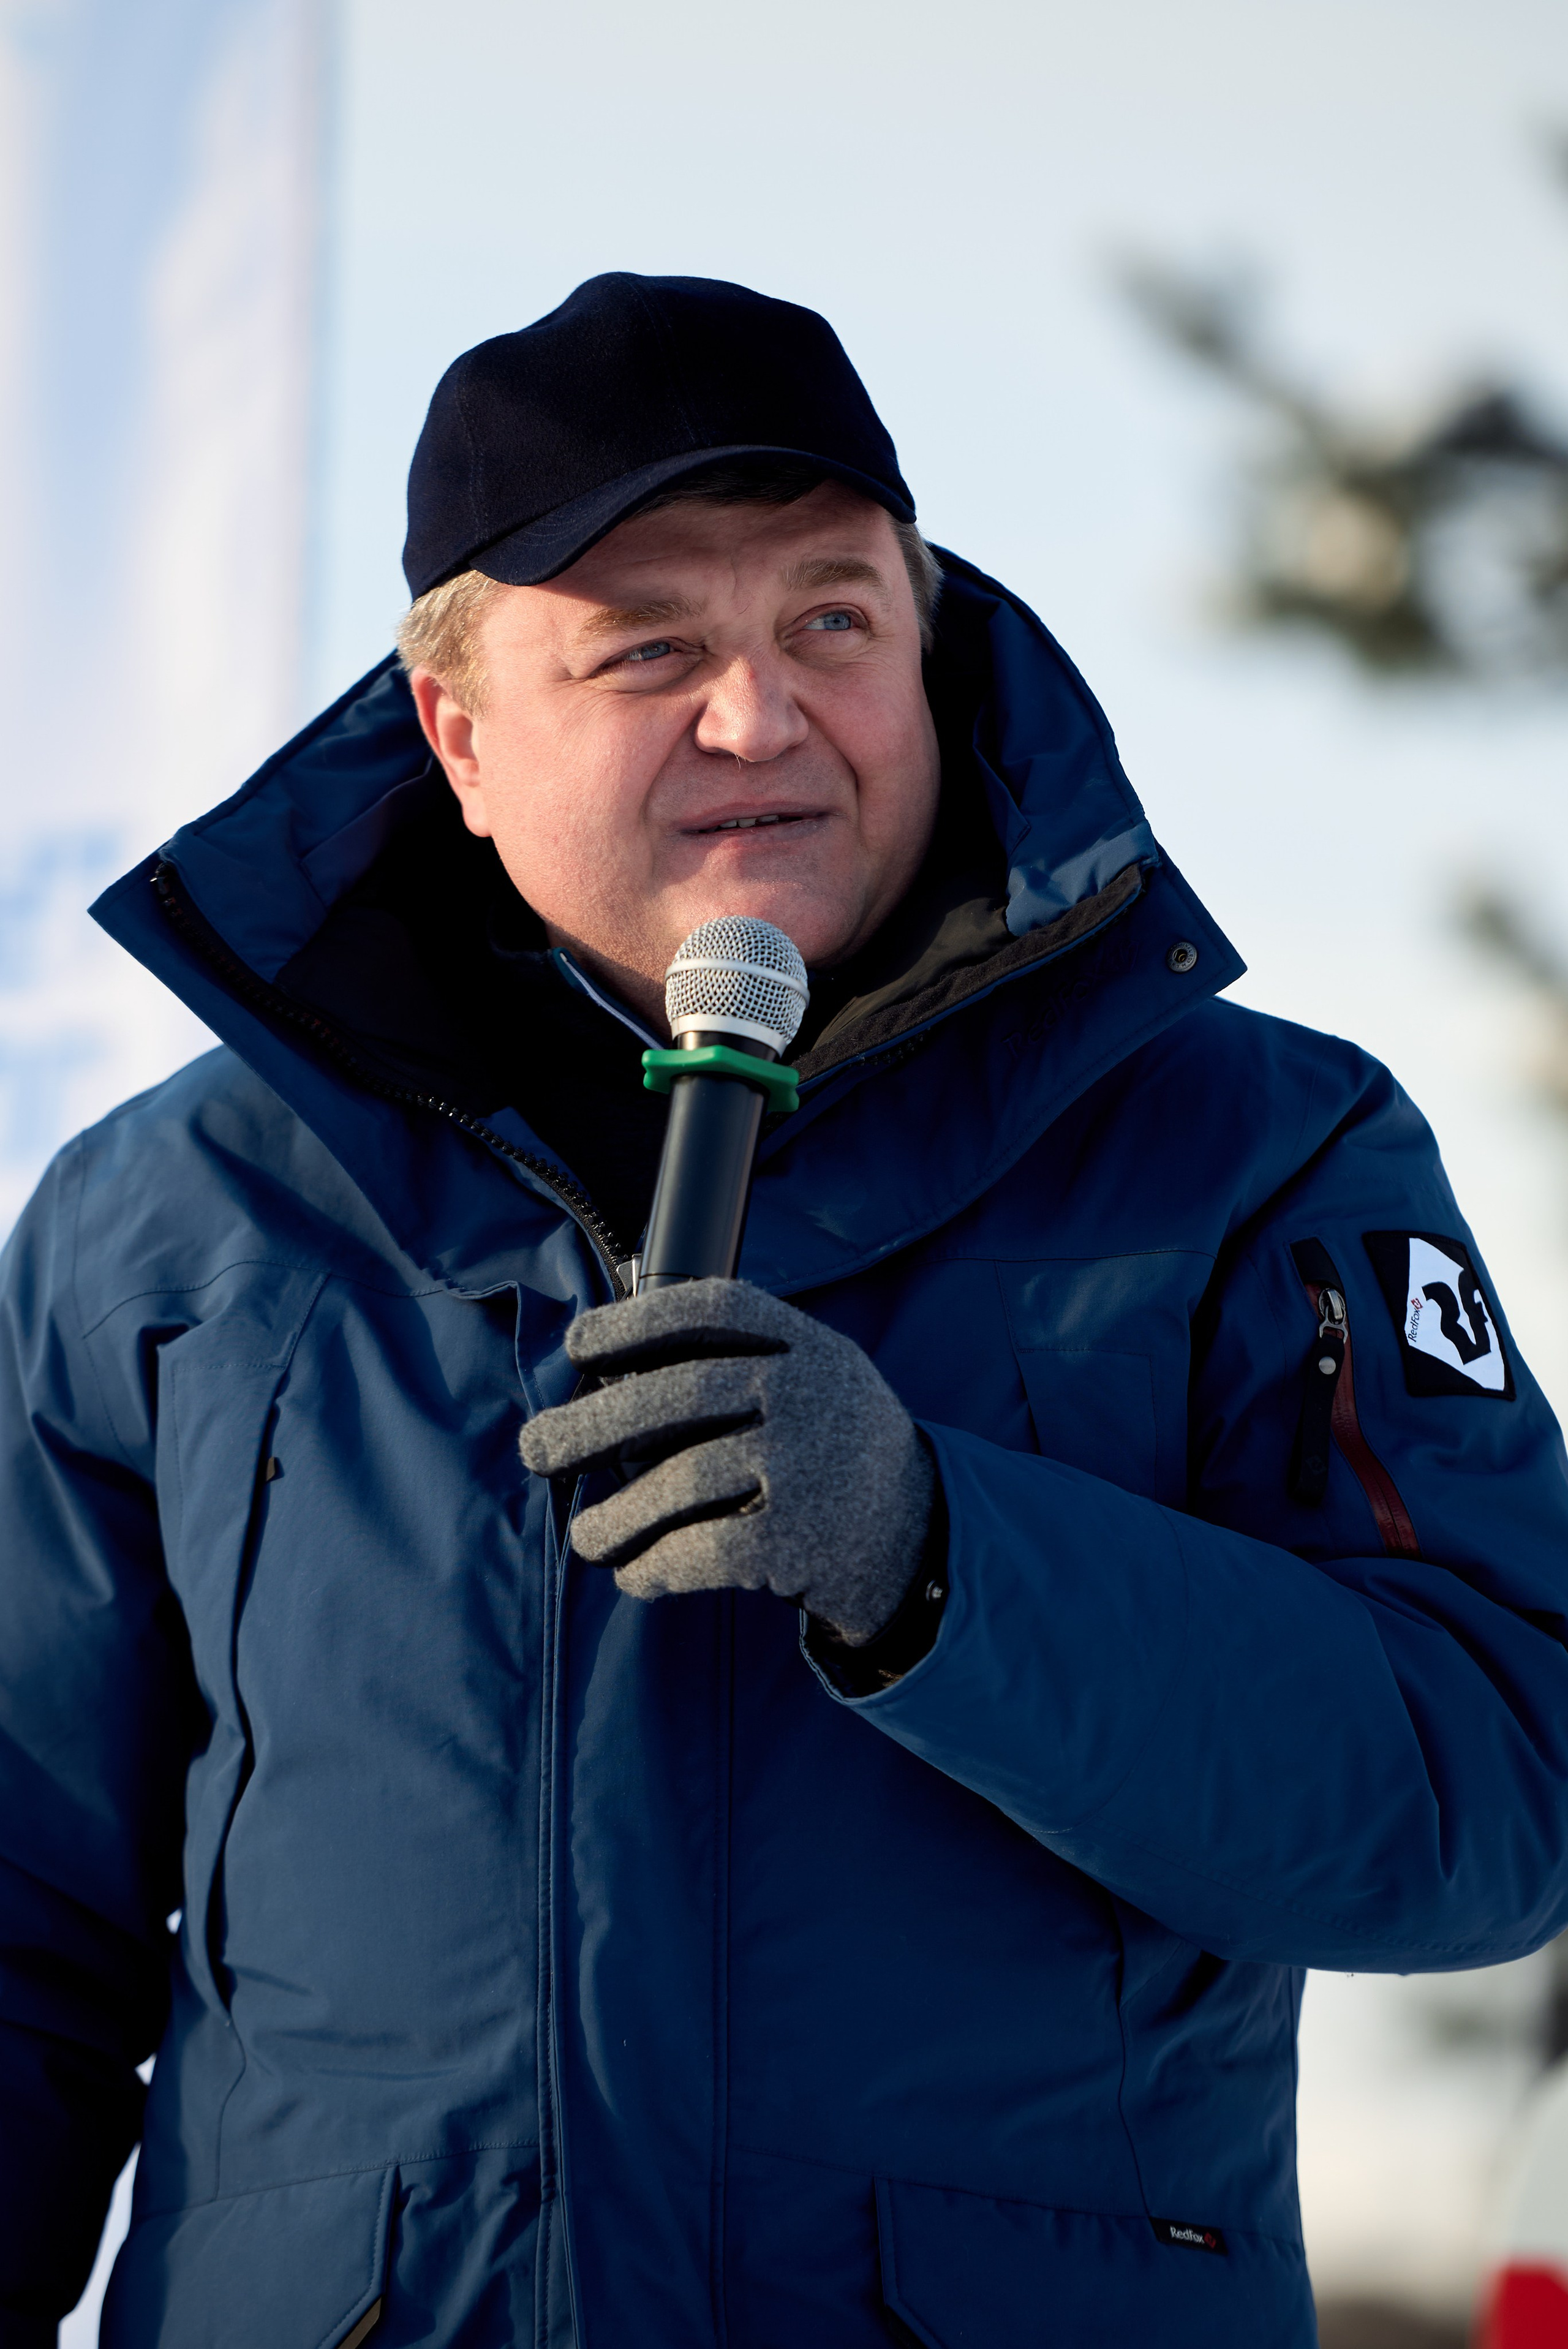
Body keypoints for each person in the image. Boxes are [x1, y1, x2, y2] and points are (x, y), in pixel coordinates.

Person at [3, 273, 1567, 2349]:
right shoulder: (175, 1228)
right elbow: (22, 1930)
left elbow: (1493, 1782)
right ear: (459, 736)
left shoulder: (1251, 1156)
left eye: (830, 620)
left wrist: (938, 1556)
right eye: (650, 649)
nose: (762, 715)